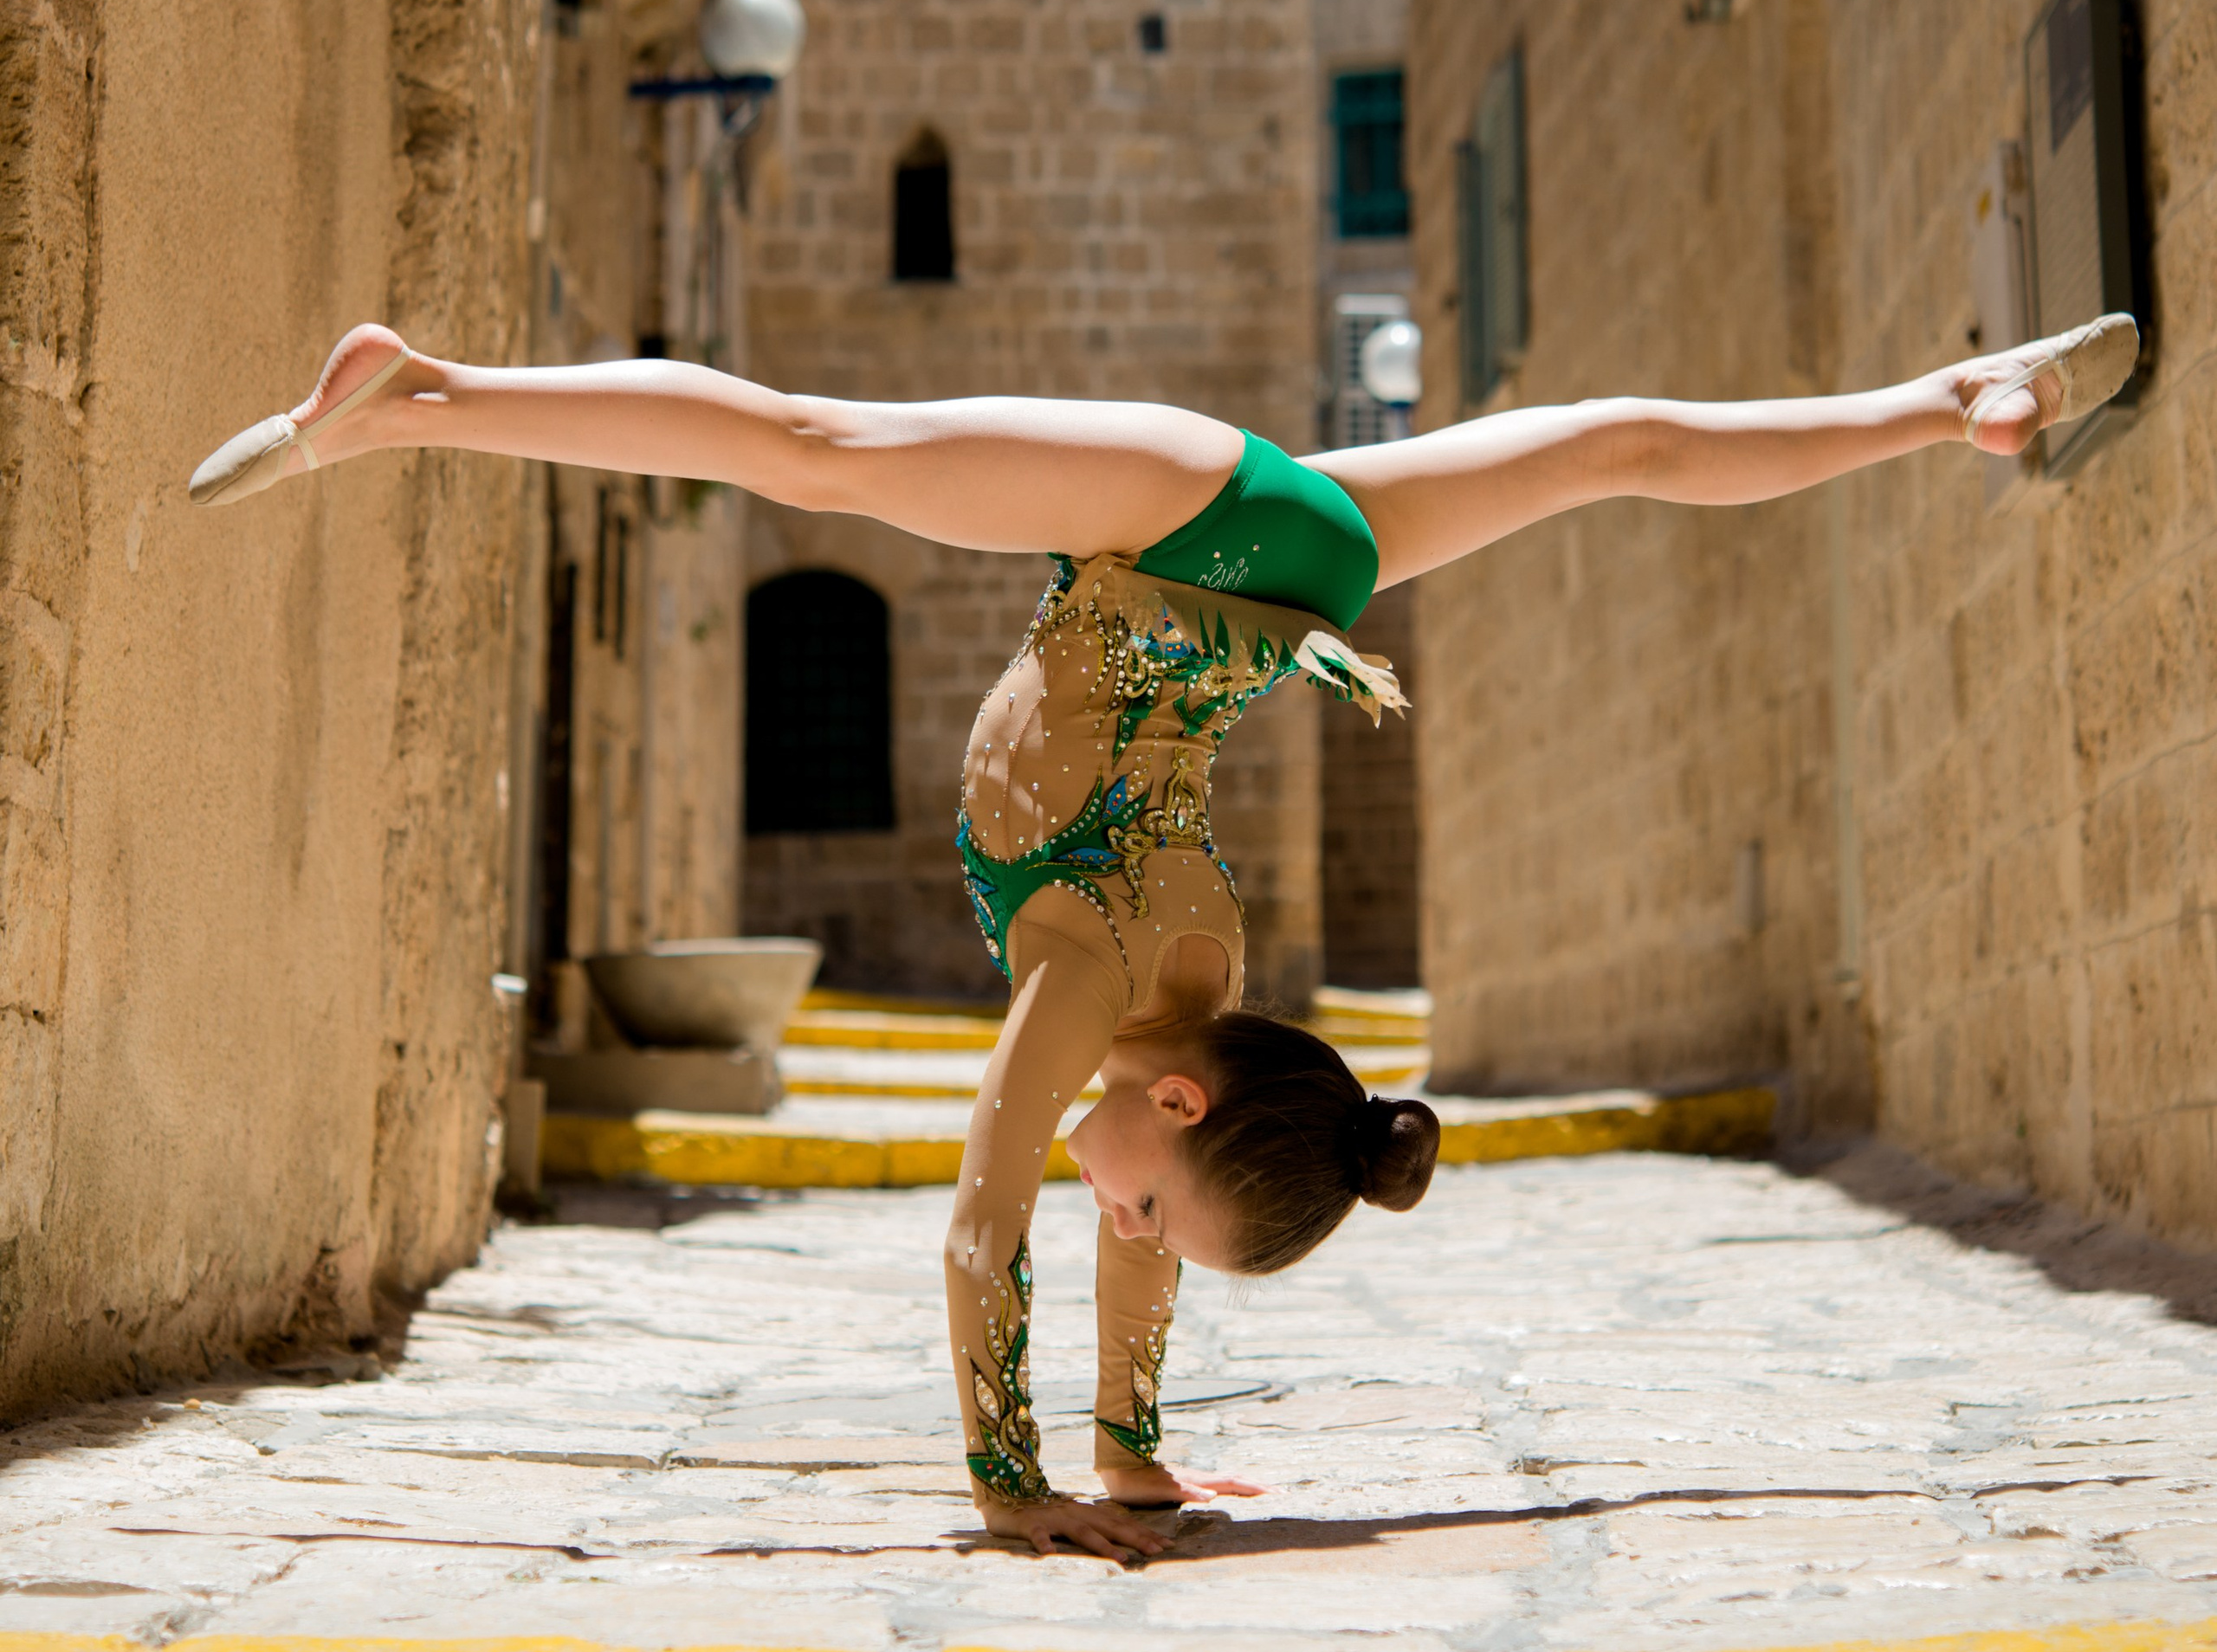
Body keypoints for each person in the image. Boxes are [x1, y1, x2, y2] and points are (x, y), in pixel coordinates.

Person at [190, 307, 2141, 1565]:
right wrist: (1000, 1482)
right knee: (808, 445)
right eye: (1149, 1211)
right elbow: (978, 1218)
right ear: (1191, 1097)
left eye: (1141, 1231)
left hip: (1275, 550)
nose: (1119, 1225)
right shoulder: (1095, 992)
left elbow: (1124, 1215)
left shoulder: (1179, 1025)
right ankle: (414, 401)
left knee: (1611, 449)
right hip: (1180, 534)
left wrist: (1130, 1455)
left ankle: (1956, 399)